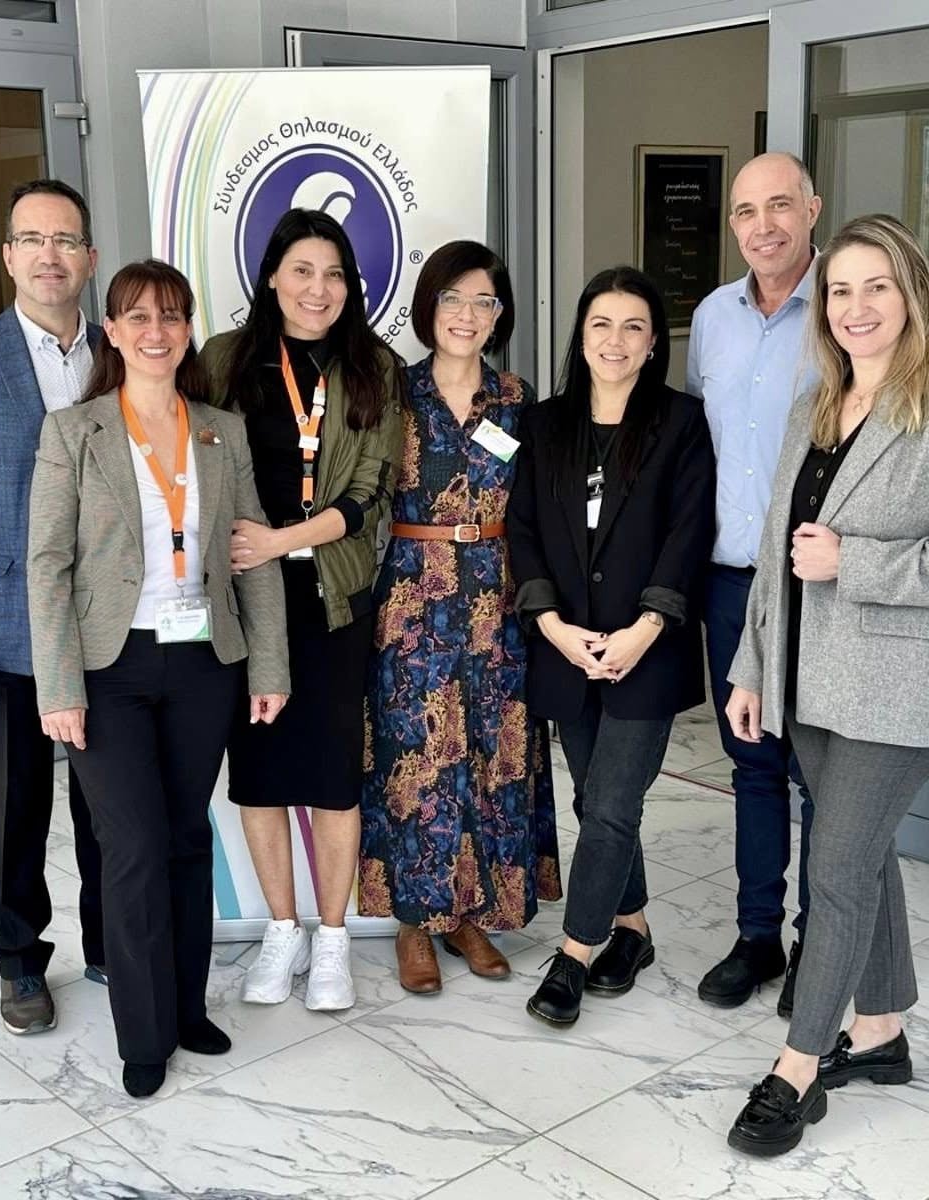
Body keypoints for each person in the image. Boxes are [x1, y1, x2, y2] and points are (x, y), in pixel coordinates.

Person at [27, 259, 290, 1098]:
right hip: (109, 668)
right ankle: (144, 1032)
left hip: (204, 662)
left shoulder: (221, 430)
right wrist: (58, 688)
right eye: (137, 316)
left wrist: (269, 664)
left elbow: (251, 552)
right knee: (133, 846)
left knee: (184, 838)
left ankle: (184, 1008)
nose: (155, 331)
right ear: (111, 330)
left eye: (171, 316)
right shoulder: (74, 432)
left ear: (186, 330)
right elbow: (47, 565)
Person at [726, 213, 929, 1156]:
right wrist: (752, 665)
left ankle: (798, 1066)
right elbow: (776, 553)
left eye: (877, 286)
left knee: (836, 868)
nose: (856, 307)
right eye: (841, 290)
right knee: (865, 856)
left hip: (893, 686)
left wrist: (858, 562)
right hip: (806, 678)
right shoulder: (819, 403)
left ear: (911, 294)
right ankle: (880, 1032)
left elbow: (840, 556)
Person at [200, 208, 403, 1012]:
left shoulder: (374, 367)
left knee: (331, 775)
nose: (319, 289)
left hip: (332, 593)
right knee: (259, 776)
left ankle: (332, 937)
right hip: (244, 599)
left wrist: (280, 540)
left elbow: (370, 495)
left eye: (334, 274)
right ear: (272, 277)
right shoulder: (224, 360)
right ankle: (281, 929)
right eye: (302, 271)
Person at [508, 266, 715, 1026]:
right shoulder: (545, 425)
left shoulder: (682, 423)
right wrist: (552, 627)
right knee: (594, 799)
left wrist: (646, 628)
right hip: (568, 644)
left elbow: (689, 532)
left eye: (634, 327)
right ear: (582, 334)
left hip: (645, 649)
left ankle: (574, 953)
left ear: (654, 342)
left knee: (612, 804)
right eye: (602, 324)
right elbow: (522, 528)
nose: (616, 340)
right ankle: (634, 929)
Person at [360, 240, 561, 994]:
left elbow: (538, 502)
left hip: (496, 597)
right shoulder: (392, 390)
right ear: (429, 306)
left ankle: (470, 913)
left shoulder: (515, 398)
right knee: (415, 756)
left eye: (484, 301)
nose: (467, 315)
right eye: (453, 298)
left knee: (489, 753)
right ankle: (416, 921)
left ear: (500, 314)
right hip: (412, 596)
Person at [0, 178, 106, 1037]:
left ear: (89, 257)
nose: (49, 255)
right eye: (32, 239)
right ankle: (19, 960)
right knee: (17, 806)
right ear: (10, 256)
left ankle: (111, 944)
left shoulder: (126, 351)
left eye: (65, 240)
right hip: (7, 620)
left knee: (109, 803)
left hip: (112, 623)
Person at [687, 152, 822, 1014]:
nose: (762, 225)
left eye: (779, 205)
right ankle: (757, 937)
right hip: (730, 582)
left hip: (815, 586)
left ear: (812, 208)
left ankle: (820, 942)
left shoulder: (845, 311)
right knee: (753, 764)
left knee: (820, 775)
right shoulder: (711, 317)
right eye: (745, 211)